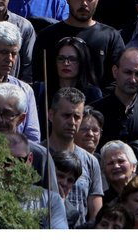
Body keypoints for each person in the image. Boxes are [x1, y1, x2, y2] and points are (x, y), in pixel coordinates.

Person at [31, 0, 124, 85]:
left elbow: (118, 81)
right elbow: (39, 80)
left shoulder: (111, 37)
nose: (84, 3)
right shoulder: (47, 36)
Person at [44, 88, 104, 226]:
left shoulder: (91, 161)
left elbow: (96, 214)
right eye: (66, 115)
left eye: (77, 117)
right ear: (51, 115)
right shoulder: (37, 155)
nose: (72, 122)